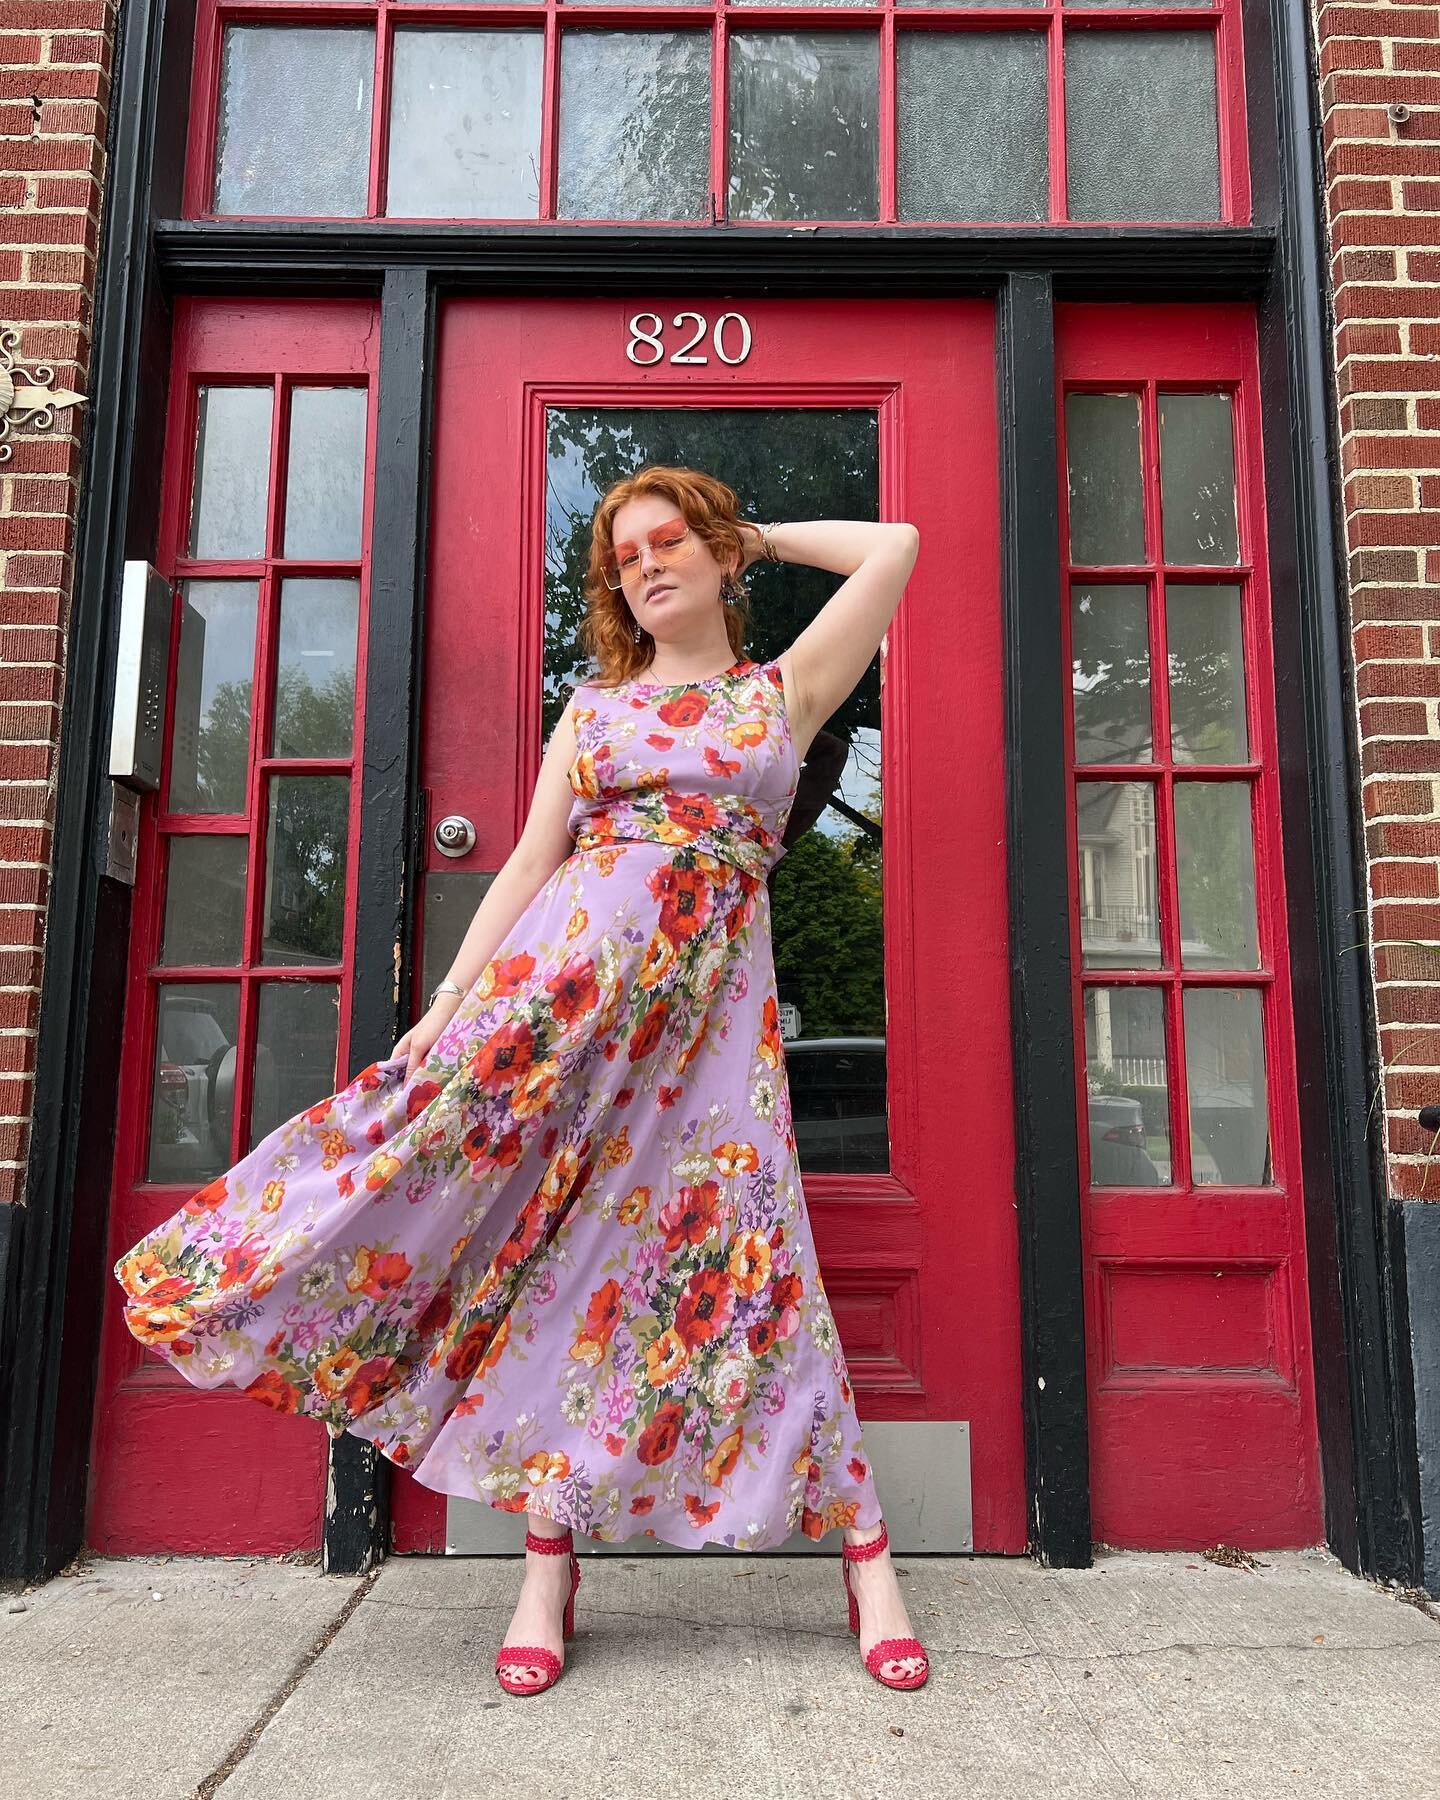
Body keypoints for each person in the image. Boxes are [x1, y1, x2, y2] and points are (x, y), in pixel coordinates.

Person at [113, 465, 925, 1697]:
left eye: (669, 543)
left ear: (713, 554)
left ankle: (866, 1554)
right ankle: (548, 1560)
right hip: (556, 1022)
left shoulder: (783, 696)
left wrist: (748, 532)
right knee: (550, 1273)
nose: (645, 566)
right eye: (624, 556)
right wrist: (441, 1015)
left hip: (710, 1051)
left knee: (755, 1266)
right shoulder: (594, 714)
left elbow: (896, 546)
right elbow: (526, 873)